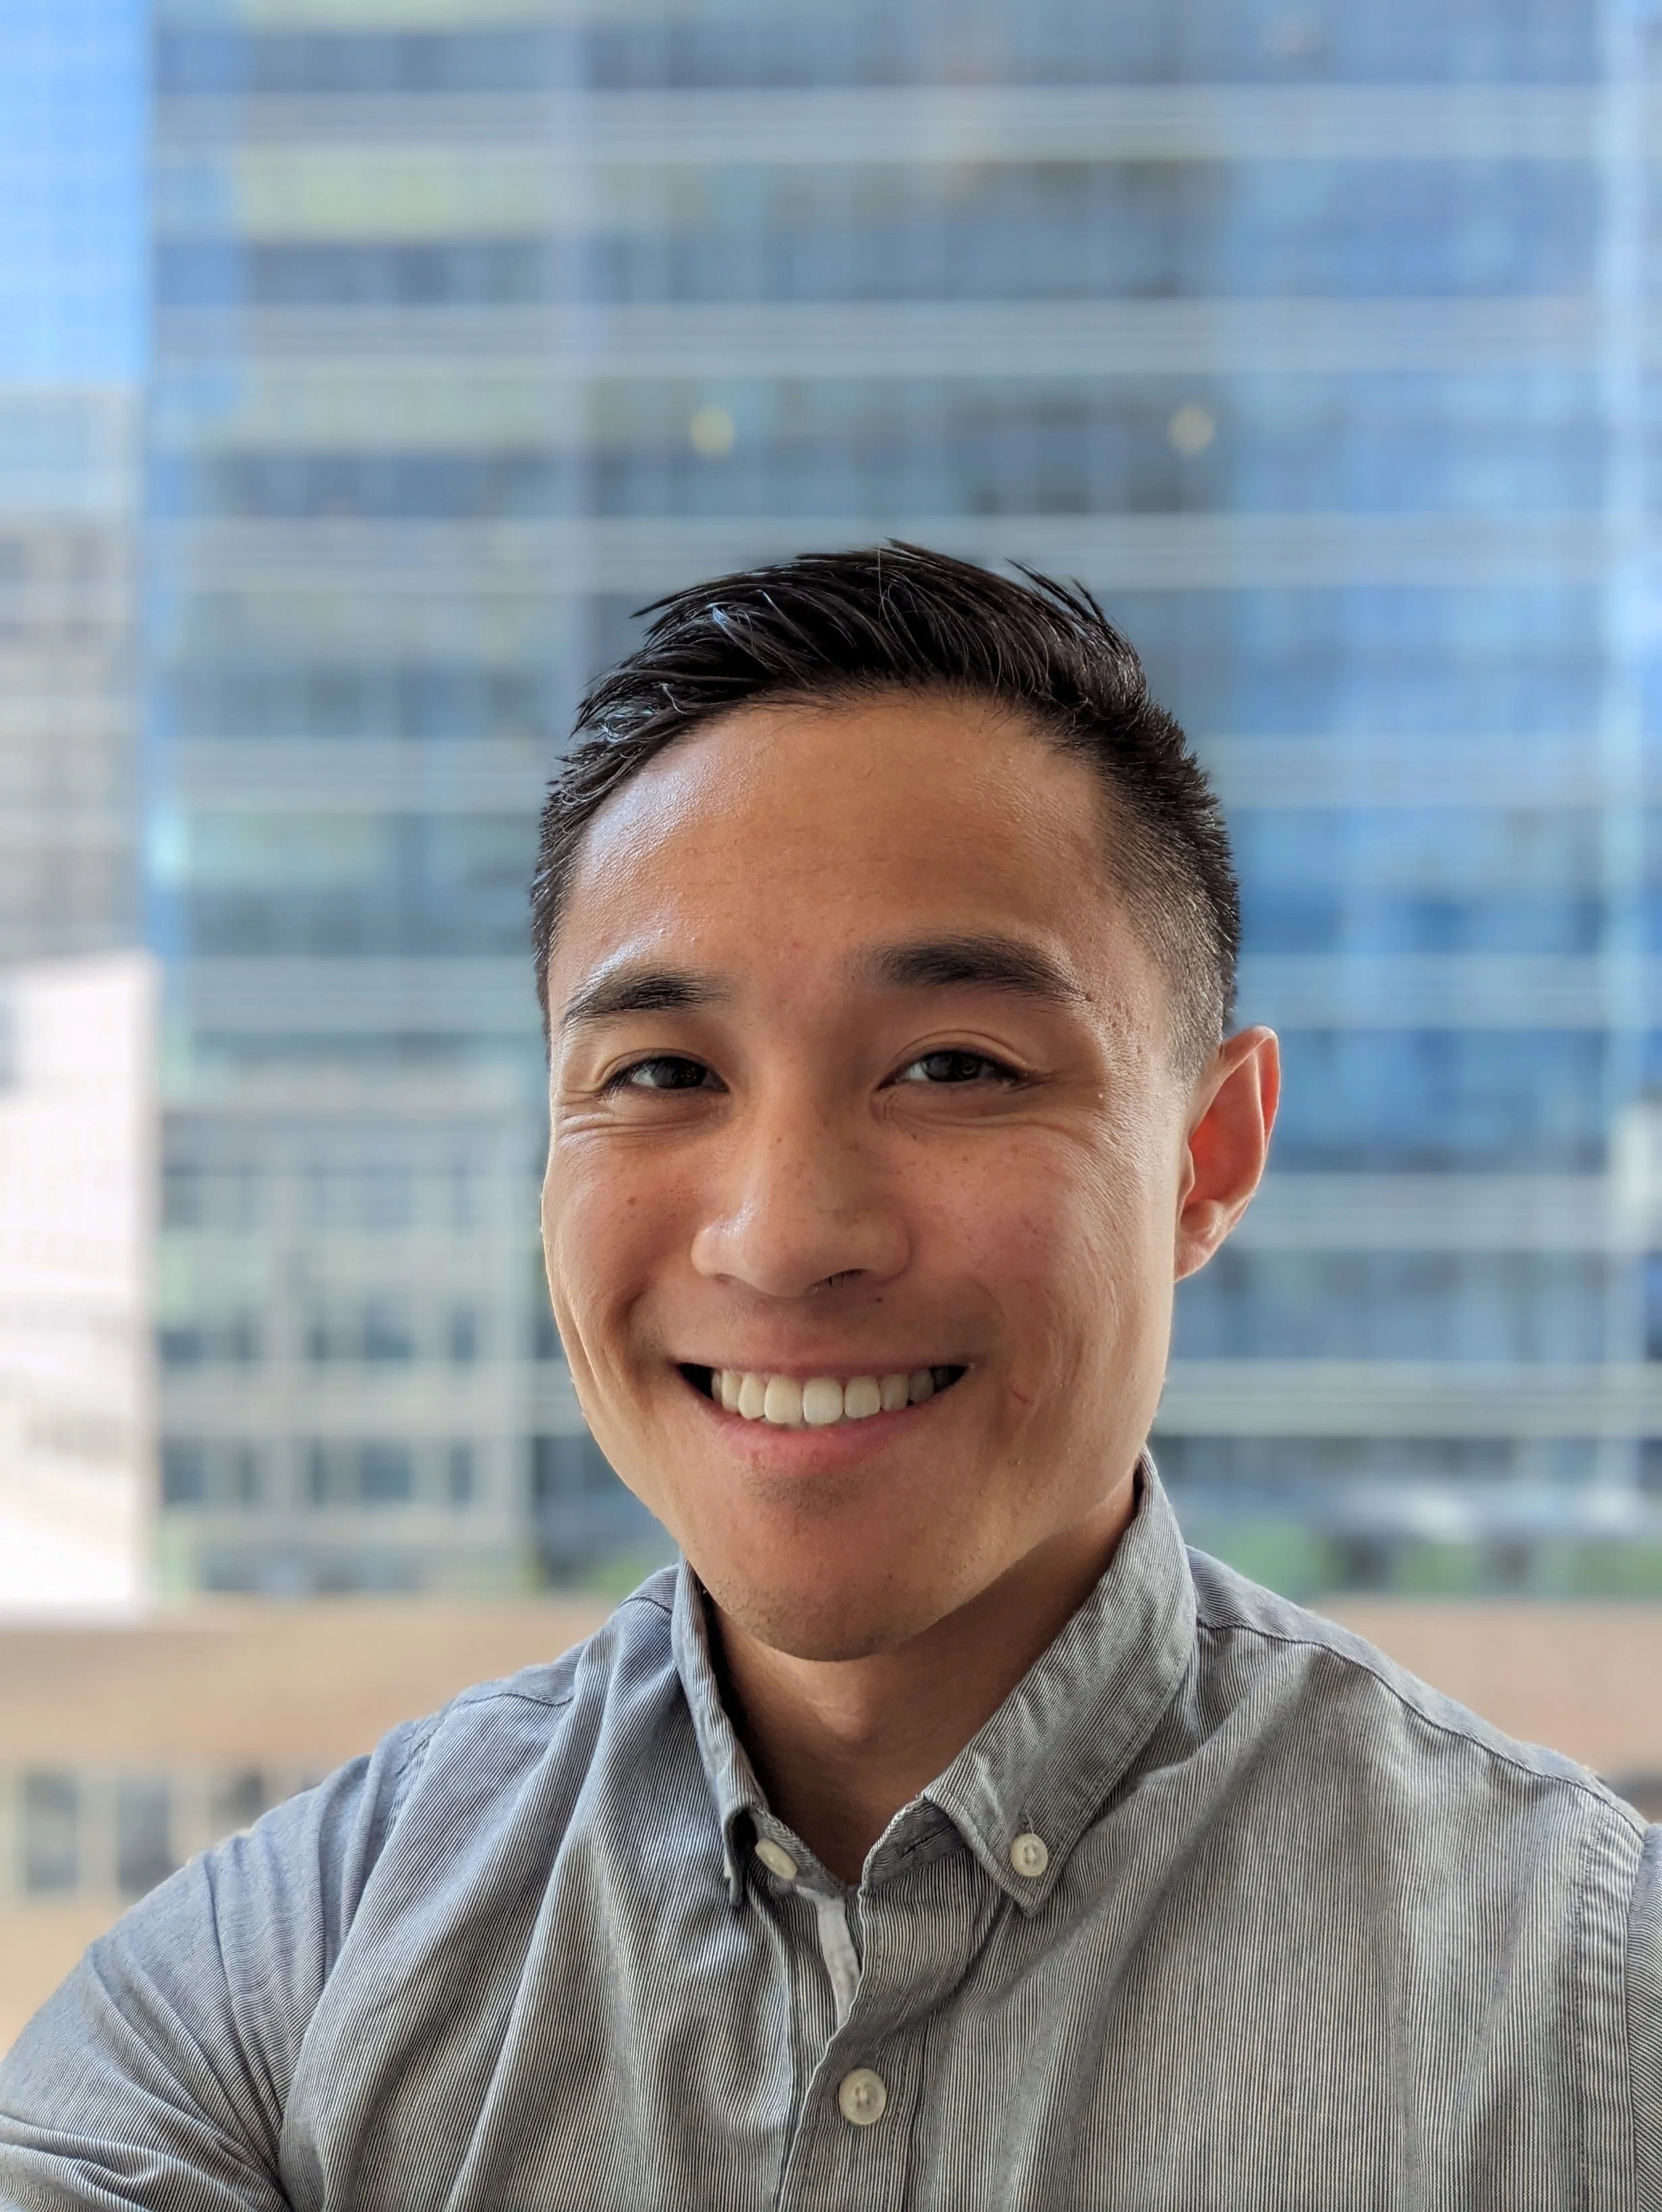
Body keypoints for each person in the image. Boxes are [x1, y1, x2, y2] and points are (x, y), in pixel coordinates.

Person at [1, 544, 1656, 2209]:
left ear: (1205, 1153)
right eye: (661, 1072)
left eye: (953, 1065)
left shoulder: (1586, 2010)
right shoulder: (273, 1988)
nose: (783, 1235)